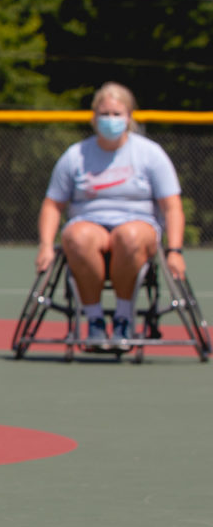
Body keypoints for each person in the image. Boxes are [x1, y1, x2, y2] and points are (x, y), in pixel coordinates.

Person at [36, 81, 185, 349]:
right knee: (77, 236)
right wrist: (46, 246)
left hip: (137, 226)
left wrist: (175, 250)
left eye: (117, 114)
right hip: (89, 223)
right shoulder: (75, 156)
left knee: (128, 236)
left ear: (129, 117)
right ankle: (93, 322)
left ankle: (123, 318)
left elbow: (172, 206)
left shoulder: (150, 154)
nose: (111, 120)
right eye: (104, 114)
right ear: (93, 118)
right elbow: (53, 204)